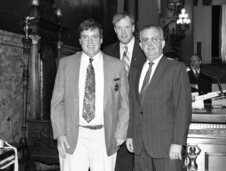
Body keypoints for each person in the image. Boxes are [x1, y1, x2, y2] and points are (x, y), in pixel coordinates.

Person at [50, 18, 129, 171]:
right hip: (73, 136)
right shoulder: (65, 64)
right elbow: (57, 103)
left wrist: (121, 132)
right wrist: (60, 134)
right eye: (85, 37)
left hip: (105, 136)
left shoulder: (117, 66)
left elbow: (124, 103)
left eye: (94, 37)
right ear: (80, 41)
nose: (90, 42)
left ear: (101, 39)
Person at [126, 25, 192, 171]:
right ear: (140, 45)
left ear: (162, 43)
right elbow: (133, 107)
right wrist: (130, 135)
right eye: (145, 40)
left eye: (154, 39)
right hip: (140, 143)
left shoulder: (176, 68)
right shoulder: (135, 72)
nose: (149, 44)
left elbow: (183, 108)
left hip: (167, 145)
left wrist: (178, 142)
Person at [103, 12, 146, 171]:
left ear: (133, 28)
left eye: (127, 27)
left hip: (139, 117)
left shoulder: (145, 49)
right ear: (114, 30)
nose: (123, 32)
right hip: (115, 119)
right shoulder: (107, 52)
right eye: (119, 28)